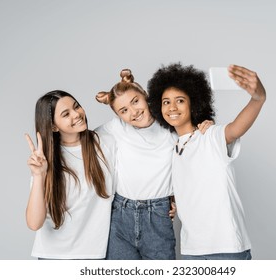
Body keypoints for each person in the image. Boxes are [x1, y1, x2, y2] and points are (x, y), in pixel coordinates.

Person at [147, 63, 266, 260]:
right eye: (166, 102)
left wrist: (258, 99)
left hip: (226, 248)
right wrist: (173, 202)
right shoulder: (173, 149)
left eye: (180, 100)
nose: (172, 107)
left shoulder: (209, 135)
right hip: (191, 250)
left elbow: (236, 128)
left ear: (193, 103)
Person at [95, 69, 212, 260]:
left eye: (136, 101)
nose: (134, 112)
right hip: (120, 214)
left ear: (146, 97)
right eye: (123, 111)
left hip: (158, 214)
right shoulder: (116, 128)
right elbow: (81, 140)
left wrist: (206, 123)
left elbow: (192, 152)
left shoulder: (170, 126)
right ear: (118, 115)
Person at [25, 90, 115, 259]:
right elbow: (34, 223)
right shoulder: (46, 160)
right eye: (66, 114)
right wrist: (39, 175)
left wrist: (165, 199)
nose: (77, 114)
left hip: (93, 256)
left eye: (77, 106)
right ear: (53, 126)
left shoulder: (105, 143)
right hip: (52, 256)